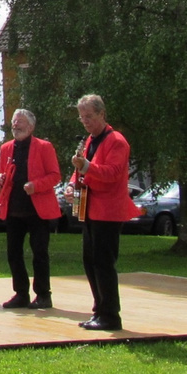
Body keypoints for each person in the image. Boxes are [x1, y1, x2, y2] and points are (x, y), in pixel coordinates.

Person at [69, 94, 140, 331]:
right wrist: (71, 184)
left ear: (102, 114)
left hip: (108, 211)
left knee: (103, 263)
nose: (85, 121)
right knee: (90, 261)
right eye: (82, 117)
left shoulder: (116, 141)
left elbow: (112, 173)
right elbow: (80, 168)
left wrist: (86, 167)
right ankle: (99, 310)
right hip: (90, 209)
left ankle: (110, 315)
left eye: (89, 116)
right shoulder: (90, 140)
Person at [0, 108, 61, 309]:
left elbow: (55, 175)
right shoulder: (5, 148)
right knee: (13, 252)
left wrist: (35, 186)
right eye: (13, 121)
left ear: (31, 126)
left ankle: (43, 295)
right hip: (13, 208)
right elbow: (3, 174)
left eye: (19, 121)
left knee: (39, 253)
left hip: (37, 209)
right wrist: (0, 179)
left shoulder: (44, 147)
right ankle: (20, 293)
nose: (15, 124)